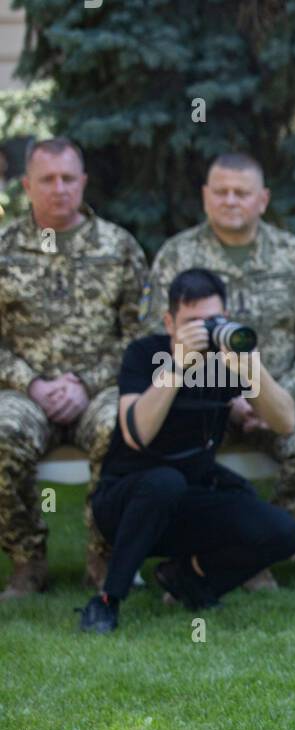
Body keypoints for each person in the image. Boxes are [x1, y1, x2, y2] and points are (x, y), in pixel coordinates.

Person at [145, 152, 295, 589]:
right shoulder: (176, 255)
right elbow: (154, 338)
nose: (231, 200)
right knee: (161, 453)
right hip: (195, 395)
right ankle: (192, 549)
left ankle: (256, 550)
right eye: (221, 191)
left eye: (242, 192)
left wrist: (276, 393)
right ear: (205, 197)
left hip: (277, 396)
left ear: (263, 199)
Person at [79, 269, 295, 633]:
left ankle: (188, 579)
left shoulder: (225, 359)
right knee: (164, 483)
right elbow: (137, 434)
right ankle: (107, 601)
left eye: (213, 321)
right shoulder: (145, 354)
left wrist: (252, 370)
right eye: (192, 323)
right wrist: (177, 365)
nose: (205, 331)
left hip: (191, 495)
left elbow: (286, 421)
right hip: (125, 501)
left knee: (283, 531)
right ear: (169, 322)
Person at [0, 137, 148, 596]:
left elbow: (140, 335)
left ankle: (102, 556)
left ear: (83, 182)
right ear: (27, 185)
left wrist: (86, 383)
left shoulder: (119, 247)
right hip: (23, 393)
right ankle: (28, 560)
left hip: (98, 390)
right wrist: (32, 384)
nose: (59, 188)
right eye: (47, 179)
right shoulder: (4, 247)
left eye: (68, 178)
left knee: (121, 428)